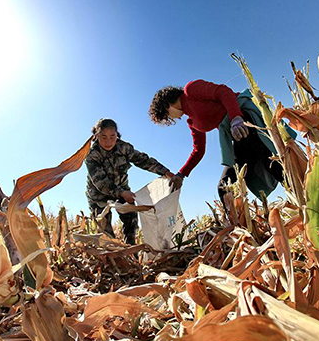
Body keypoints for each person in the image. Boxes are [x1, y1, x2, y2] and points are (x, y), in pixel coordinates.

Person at [148, 80, 296, 201]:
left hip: (246, 122)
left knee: (276, 167)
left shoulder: (191, 90)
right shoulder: (192, 122)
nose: (174, 119)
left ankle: (306, 198)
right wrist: (181, 174)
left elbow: (223, 91)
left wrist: (235, 118)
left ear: (168, 106)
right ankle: (238, 228)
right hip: (238, 138)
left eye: (168, 115)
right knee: (224, 187)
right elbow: (198, 150)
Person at [86, 118, 174, 245]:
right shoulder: (92, 155)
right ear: (96, 136)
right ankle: (113, 260)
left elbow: (143, 160)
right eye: (103, 137)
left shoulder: (124, 148)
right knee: (105, 234)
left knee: (131, 220)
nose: (108, 141)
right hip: (98, 197)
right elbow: (100, 182)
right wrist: (122, 193)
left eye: (112, 136)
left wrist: (164, 171)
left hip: (123, 190)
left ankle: (132, 254)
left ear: (117, 135)